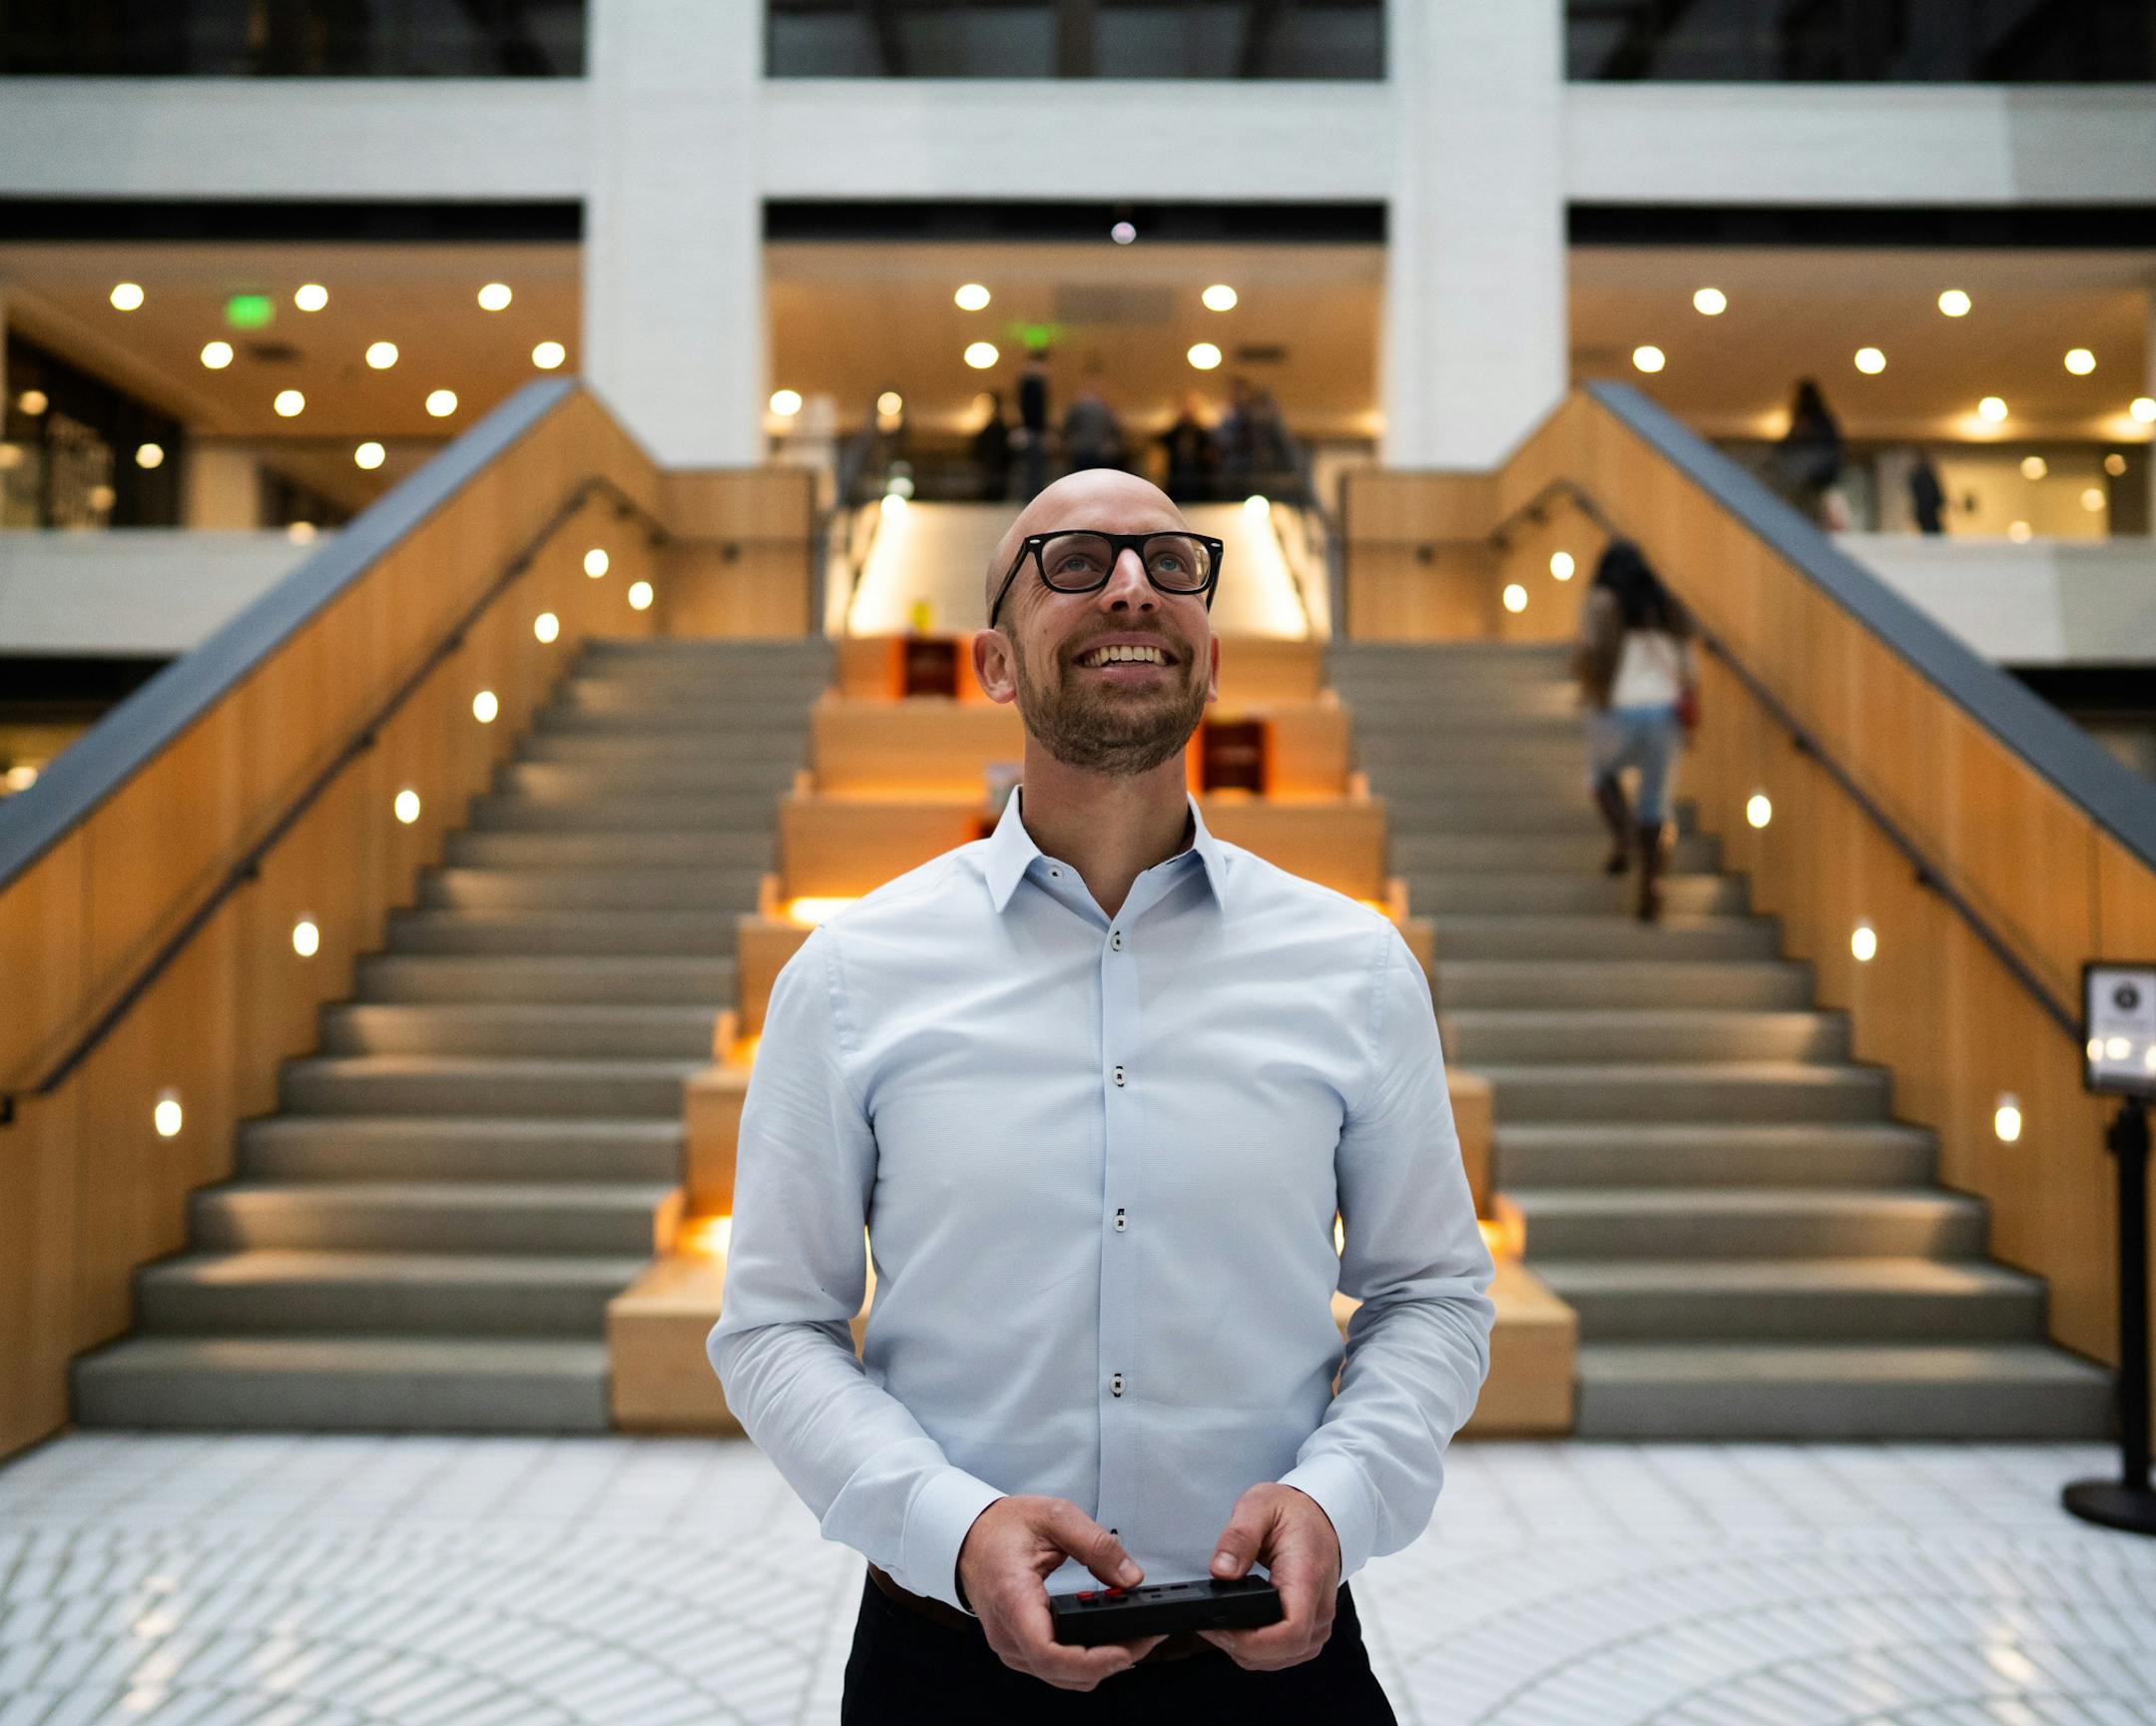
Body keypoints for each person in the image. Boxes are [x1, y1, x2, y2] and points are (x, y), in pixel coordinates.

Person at [711, 468, 1495, 1723]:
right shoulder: (852, 974)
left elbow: (1431, 1295)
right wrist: (949, 1526)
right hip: (943, 1664)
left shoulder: (1353, 965)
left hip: (1272, 1670)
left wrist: (1339, 1496)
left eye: (1170, 563)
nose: (1132, 582)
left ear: (1210, 654)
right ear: (996, 663)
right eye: (1072, 562)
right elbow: (774, 1328)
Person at [1572, 538, 1698, 922]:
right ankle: (1651, 888)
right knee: (1655, 803)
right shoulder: (1664, 602)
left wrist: (1589, 686)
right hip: (1664, 714)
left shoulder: (1599, 601)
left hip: (1618, 710)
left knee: (1600, 775)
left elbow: (1588, 651)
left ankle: (1624, 837)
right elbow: (1688, 660)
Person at [1773, 378, 1844, 528]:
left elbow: (1828, 447)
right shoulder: (1815, 422)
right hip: (1810, 479)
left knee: (1812, 508)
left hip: (1815, 476)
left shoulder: (1819, 422)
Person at [1157, 394, 1218, 500]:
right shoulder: (1172, 434)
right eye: (1184, 407)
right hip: (1176, 483)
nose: (1186, 411)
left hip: (1198, 483)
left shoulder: (1204, 435)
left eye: (1189, 407)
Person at [1060, 383, 1126, 474]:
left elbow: (1115, 432)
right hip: (1084, 451)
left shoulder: (1105, 410)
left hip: (1094, 452)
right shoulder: (1103, 410)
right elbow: (1067, 429)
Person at [1016, 350, 1052, 501]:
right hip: (1033, 431)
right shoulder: (1031, 383)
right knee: (1034, 467)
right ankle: (1033, 498)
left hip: (1033, 430)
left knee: (1035, 467)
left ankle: (1033, 497)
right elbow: (1032, 411)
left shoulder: (1032, 382)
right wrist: (1040, 431)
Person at [971, 391, 1013, 502]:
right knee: (994, 487)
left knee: (995, 488)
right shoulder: (997, 425)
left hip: (995, 462)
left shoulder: (996, 426)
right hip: (994, 462)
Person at [1907, 445, 1946, 534]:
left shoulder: (1928, 474)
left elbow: (1937, 493)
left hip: (1930, 511)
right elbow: (1929, 495)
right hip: (1926, 512)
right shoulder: (1921, 475)